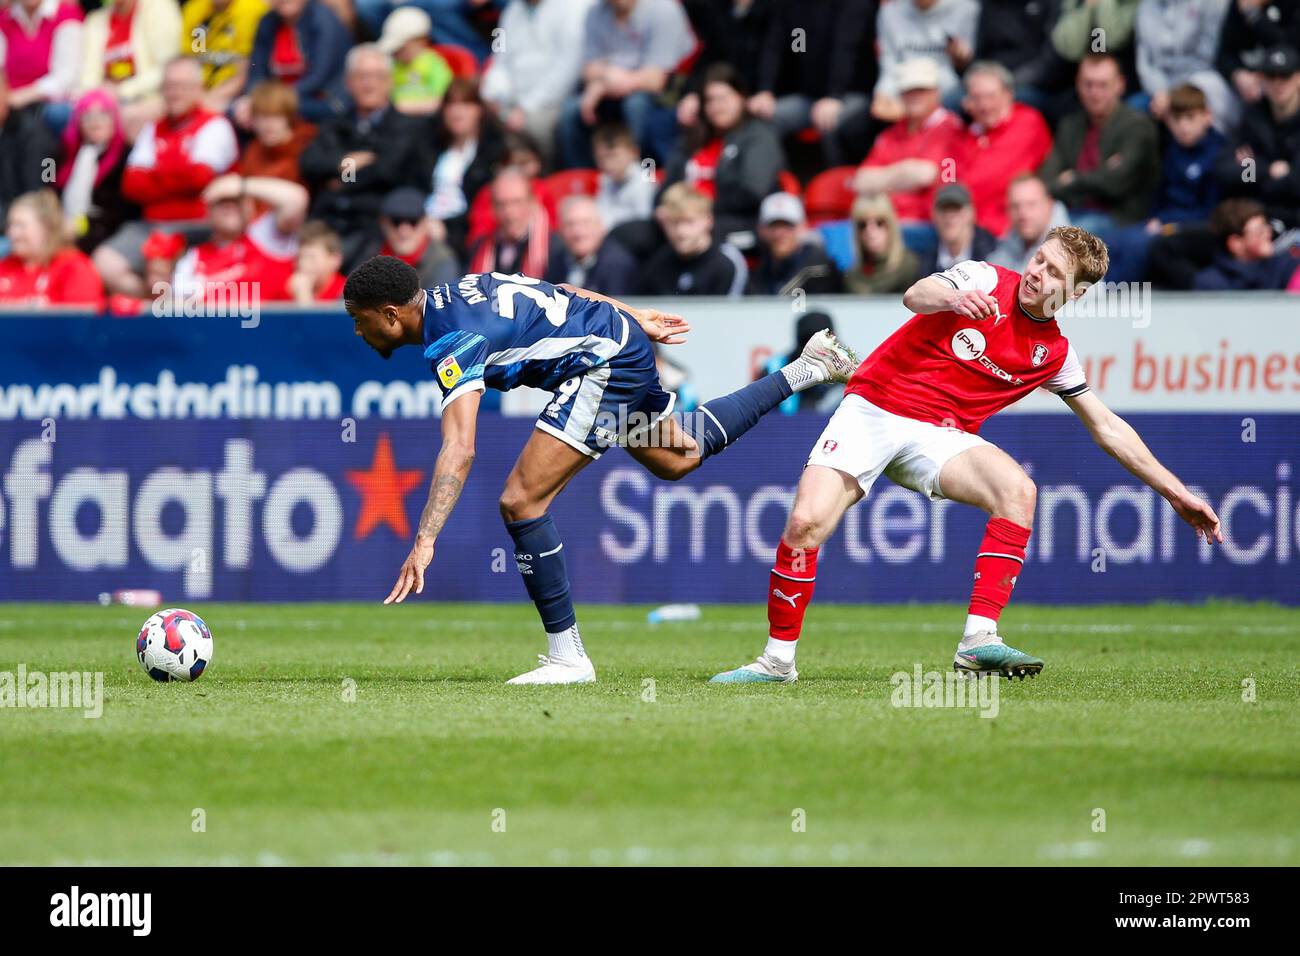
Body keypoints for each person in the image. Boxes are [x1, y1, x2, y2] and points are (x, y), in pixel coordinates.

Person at [709, 226, 1223, 684]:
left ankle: (978, 642)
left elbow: (1108, 428)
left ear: (1078, 293)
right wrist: (951, 300)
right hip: (874, 407)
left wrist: (1176, 492)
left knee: (1018, 490)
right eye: (1039, 259)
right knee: (804, 525)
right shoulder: (982, 277)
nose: (1037, 273)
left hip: (941, 436)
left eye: (1053, 272)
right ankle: (776, 662)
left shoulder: (1055, 355)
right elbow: (916, 293)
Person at [342, 256, 859, 683]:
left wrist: (425, 539)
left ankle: (568, 657)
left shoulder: (451, 338)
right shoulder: (464, 289)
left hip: (602, 364)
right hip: (618, 342)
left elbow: (460, 448)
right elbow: (565, 289)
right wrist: (635, 317)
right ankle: (808, 368)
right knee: (677, 456)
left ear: (390, 314)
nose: (358, 331)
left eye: (359, 319)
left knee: (521, 501)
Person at [94, 57, 240, 299]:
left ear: (198, 89)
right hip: (151, 226)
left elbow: (200, 177)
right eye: (169, 86)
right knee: (105, 262)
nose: (174, 93)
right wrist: (181, 176)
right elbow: (131, 184)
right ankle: (156, 306)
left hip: (200, 225)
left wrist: (155, 177)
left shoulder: (215, 125)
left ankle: (172, 306)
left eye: (182, 86)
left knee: (177, 272)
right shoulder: (153, 128)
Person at [298, 44, 433, 268]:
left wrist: (339, 178)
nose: (369, 84)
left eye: (377, 77)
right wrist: (345, 162)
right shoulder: (335, 123)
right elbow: (309, 162)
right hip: (326, 223)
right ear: (348, 82)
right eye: (361, 76)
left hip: (375, 228)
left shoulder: (409, 127)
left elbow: (386, 171)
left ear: (390, 82)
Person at [659, 62, 785, 249]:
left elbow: (752, 193)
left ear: (741, 97)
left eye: (724, 98)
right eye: (710, 100)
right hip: (684, 219)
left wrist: (698, 209)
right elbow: (667, 180)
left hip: (739, 221)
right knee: (629, 233)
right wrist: (663, 206)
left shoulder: (759, 136)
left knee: (691, 235)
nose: (716, 106)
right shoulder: (694, 138)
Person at [557, 0, 695, 169]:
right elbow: (588, 68)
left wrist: (602, 85)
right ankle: (583, 180)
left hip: (668, 93)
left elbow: (656, 80)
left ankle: (644, 175)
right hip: (613, 91)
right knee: (571, 109)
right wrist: (607, 77)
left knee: (636, 106)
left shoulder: (664, 9)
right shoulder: (594, 12)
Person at [1039, 53, 1160, 231]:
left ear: (1120, 85)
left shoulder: (1137, 126)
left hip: (1118, 219)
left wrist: (1073, 178)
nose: (1094, 93)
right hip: (1068, 213)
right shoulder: (1070, 125)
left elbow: (1116, 183)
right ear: (1077, 84)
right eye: (1088, 84)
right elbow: (1047, 180)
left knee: (1064, 236)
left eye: (1103, 85)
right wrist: (1100, 175)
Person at [749, 0, 878, 166]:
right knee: (764, 120)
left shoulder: (853, 5)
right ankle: (777, 184)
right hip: (809, 97)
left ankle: (838, 186)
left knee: (829, 121)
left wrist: (834, 96)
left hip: (852, 94)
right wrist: (765, 89)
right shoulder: (792, 6)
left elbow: (845, 48)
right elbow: (780, 46)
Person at [853, 58, 964, 229]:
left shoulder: (951, 128)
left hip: (926, 223)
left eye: (921, 90)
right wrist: (907, 172)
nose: (914, 96)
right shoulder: (892, 133)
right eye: (908, 90)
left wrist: (883, 178)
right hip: (885, 222)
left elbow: (927, 175)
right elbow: (861, 181)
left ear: (936, 92)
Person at [170, 172, 308, 303]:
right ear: (208, 212)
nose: (230, 206)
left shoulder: (266, 236)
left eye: (237, 201)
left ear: (250, 208)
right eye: (222, 202)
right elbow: (180, 310)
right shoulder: (194, 258)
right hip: (213, 326)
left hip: (269, 326)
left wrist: (241, 185)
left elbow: (296, 201)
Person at [481, 0, 594, 159]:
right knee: (478, 115)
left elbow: (569, 68)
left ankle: (547, 177)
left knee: (533, 127)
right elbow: (500, 58)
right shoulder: (511, 10)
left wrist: (526, 107)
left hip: (552, 102)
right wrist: (493, 93)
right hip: (513, 101)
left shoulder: (572, 7)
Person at [954, 61, 1054, 238]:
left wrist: (956, 192)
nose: (984, 106)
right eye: (977, 98)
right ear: (967, 102)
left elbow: (989, 179)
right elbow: (948, 177)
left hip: (1009, 230)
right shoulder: (967, 134)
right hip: (967, 230)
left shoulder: (1026, 122)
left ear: (1009, 95)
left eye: (991, 96)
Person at [1214, 45, 1300, 231]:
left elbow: (1295, 184)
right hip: (1253, 215)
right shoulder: (1254, 115)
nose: (1278, 83)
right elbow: (1225, 170)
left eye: (1285, 76)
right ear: (1261, 79)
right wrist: (1267, 170)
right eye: (1271, 76)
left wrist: (1251, 169)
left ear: (1298, 78)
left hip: (1292, 218)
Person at [238, 0, 350, 125]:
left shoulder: (323, 21)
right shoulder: (267, 22)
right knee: (237, 111)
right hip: (276, 99)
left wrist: (274, 100)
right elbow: (256, 72)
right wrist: (253, 98)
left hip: (323, 99)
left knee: (270, 115)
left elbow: (318, 77)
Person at [56, 89, 139, 255]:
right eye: (87, 116)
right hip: (62, 226)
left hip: (103, 233)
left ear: (114, 119)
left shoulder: (126, 156)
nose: (95, 122)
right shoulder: (62, 154)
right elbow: (48, 183)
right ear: (78, 122)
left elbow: (120, 211)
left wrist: (80, 225)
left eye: (103, 115)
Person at [872, 0, 979, 120]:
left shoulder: (967, 9)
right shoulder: (890, 13)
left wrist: (961, 59)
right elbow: (888, 64)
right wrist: (883, 93)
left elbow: (969, 68)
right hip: (903, 86)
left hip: (945, 90)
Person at [640, 182, 748, 296]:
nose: (681, 231)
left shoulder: (727, 263)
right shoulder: (657, 265)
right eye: (674, 222)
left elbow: (731, 311)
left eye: (689, 222)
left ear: (708, 220)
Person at [0, 190, 104, 307]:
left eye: (21, 226)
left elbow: (81, 320)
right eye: (10, 225)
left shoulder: (74, 268)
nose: (12, 233)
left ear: (46, 228)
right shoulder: (4, 266)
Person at [466, 167, 562, 277]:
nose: (509, 212)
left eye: (516, 202)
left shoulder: (554, 248)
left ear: (532, 202)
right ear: (492, 207)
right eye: (501, 204)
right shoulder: (479, 249)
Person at [0, 0, 84, 126]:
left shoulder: (66, 15)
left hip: (50, 102)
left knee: (57, 114)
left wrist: (19, 97)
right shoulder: (5, 18)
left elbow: (65, 78)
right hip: (9, 100)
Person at [746, 191, 843, 296]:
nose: (780, 233)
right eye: (773, 225)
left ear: (802, 227)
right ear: (761, 230)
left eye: (788, 225)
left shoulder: (819, 265)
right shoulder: (761, 267)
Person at [180, 0, 267, 113]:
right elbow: (189, 63)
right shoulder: (193, 8)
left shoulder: (252, 10)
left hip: (235, 94)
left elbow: (243, 75)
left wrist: (207, 101)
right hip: (198, 92)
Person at [1193, 197, 1299, 289]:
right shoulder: (1210, 282)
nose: (1268, 234)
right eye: (1259, 232)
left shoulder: (1284, 266)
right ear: (1235, 243)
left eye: (1267, 227)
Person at [366, 186, 462, 287]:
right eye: (396, 222)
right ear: (383, 222)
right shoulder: (367, 251)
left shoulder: (442, 262)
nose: (404, 232)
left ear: (426, 223)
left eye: (413, 222)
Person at [544, 194, 638, 296]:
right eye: (570, 224)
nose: (578, 232)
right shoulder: (557, 261)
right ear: (560, 230)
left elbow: (616, 308)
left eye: (586, 223)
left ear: (601, 226)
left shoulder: (617, 265)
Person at [376, 6, 453, 117]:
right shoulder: (392, 64)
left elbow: (440, 100)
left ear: (420, 40)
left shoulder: (434, 64)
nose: (396, 52)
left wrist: (401, 107)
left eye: (401, 47)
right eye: (395, 50)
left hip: (426, 120)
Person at [988, 174, 1071, 272]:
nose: (1022, 213)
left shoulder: (1070, 252)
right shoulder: (1008, 243)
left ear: (1049, 205)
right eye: (1015, 206)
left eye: (1031, 204)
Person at [843, 194, 920, 294]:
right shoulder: (851, 275)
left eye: (879, 222)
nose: (870, 231)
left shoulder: (909, 268)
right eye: (862, 225)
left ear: (891, 226)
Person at [919, 183, 998, 275]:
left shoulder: (992, 255)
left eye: (957, 208)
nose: (949, 216)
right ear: (934, 215)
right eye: (943, 209)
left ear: (971, 213)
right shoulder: (925, 260)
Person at [593, 122, 654, 230]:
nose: (607, 164)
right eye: (601, 158)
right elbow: (600, 213)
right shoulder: (604, 179)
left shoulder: (645, 181)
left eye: (613, 156)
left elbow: (644, 224)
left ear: (634, 152)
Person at [286, 220, 346, 302]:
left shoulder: (346, 295)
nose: (302, 264)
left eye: (311, 257)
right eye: (299, 257)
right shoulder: (287, 288)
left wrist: (303, 295)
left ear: (334, 260)